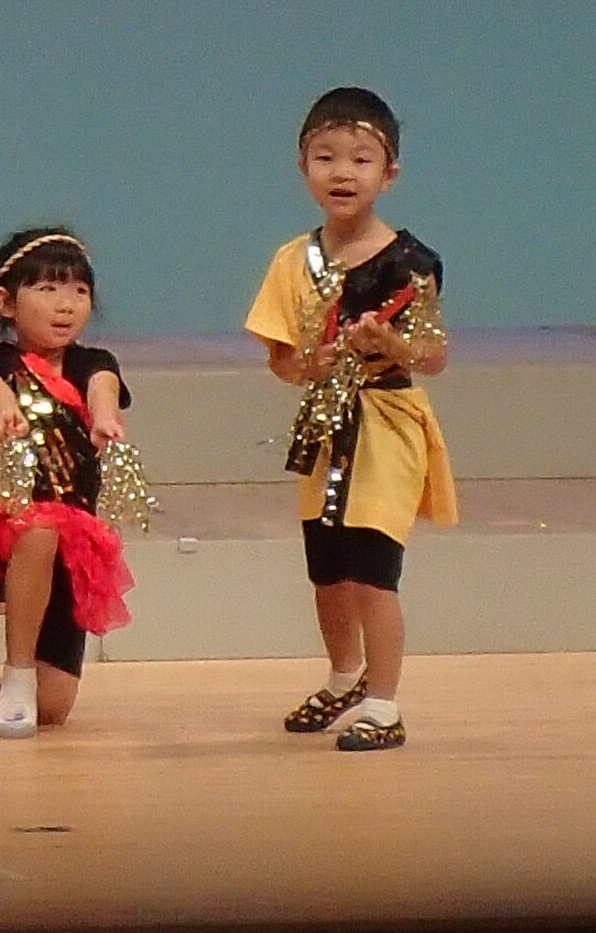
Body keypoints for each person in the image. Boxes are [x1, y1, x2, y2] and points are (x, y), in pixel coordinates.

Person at [247, 87, 456, 752]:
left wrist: (392, 343)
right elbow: (282, 359)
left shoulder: (410, 264)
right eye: (326, 157)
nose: (343, 172)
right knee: (329, 569)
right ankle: (345, 676)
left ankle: (385, 704)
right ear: (302, 166)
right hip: (323, 428)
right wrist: (311, 363)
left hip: (386, 425)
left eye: (361, 159)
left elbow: (434, 355)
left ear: (388, 173)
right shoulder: (293, 261)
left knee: (371, 568)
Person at [0, 230, 134, 737]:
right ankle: (16, 676)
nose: (66, 304)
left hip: (74, 547)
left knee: (53, 708)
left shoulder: (94, 363)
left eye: (79, 290)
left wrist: (104, 416)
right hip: (7, 531)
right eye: (48, 289)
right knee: (38, 530)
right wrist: (2, 405)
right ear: (6, 302)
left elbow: (104, 388)